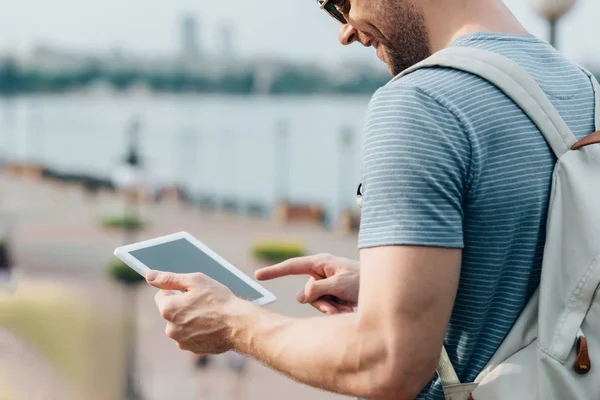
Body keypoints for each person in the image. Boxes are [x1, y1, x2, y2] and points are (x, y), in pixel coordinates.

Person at [145, 0, 597, 399]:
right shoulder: (583, 89)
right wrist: (396, 283)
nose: (345, 30)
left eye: (338, 2)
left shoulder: (422, 102)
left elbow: (386, 362)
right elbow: (553, 272)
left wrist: (231, 322)